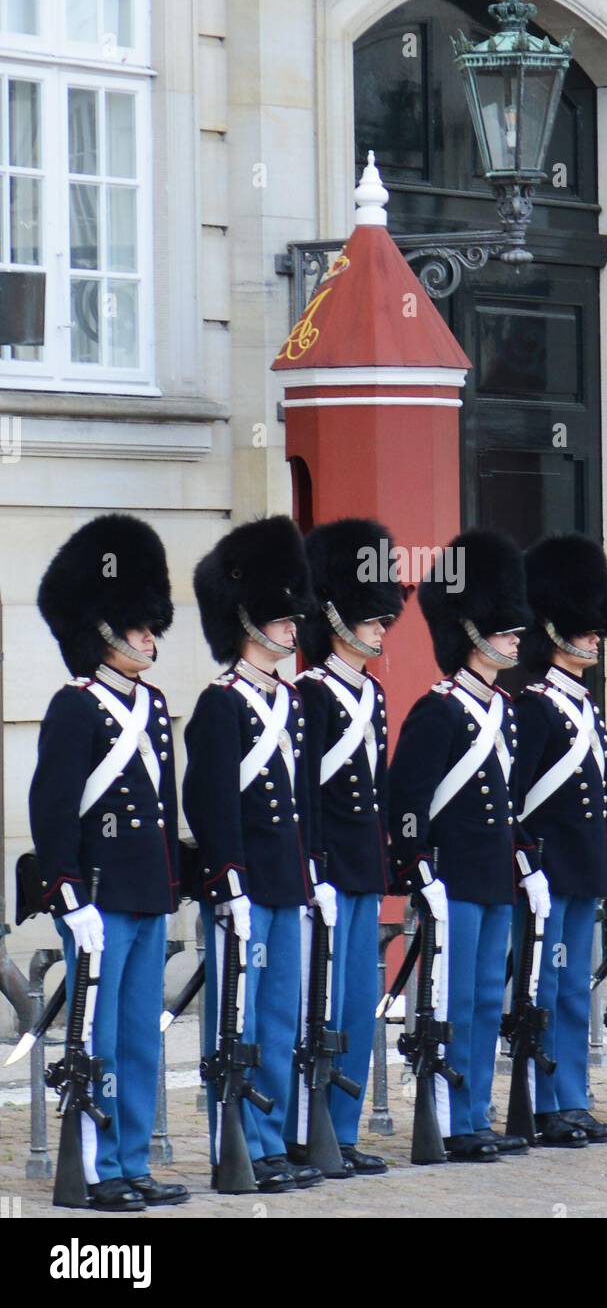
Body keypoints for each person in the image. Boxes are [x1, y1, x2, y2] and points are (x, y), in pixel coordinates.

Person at [30, 513, 188, 1211]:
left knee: (138, 1040)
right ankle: (93, 1169)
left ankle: (129, 1158)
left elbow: (166, 805)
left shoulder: (152, 706)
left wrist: (172, 886)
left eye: (151, 625)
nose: (150, 637)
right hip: (95, 900)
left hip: (145, 893)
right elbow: (52, 807)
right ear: (103, 630)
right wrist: (67, 895)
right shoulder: (74, 708)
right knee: (93, 1039)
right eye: (137, 626)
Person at [389, 529, 550, 1163]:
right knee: (452, 1002)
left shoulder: (505, 711)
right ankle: (451, 1119)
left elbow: (508, 802)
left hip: (494, 878)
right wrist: (417, 868)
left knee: (488, 999)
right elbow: (407, 804)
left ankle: (477, 1111)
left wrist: (523, 859)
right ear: (472, 632)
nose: (515, 639)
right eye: (505, 631)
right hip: (452, 880)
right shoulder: (437, 711)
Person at [183, 515, 333, 1194]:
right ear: (248, 623)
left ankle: (272, 1140)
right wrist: (227, 882)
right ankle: (235, 1143)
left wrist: (314, 872)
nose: (291, 628)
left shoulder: (294, 702)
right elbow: (209, 802)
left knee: (279, 1016)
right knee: (236, 1020)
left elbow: (305, 799)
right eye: (278, 619)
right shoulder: (221, 705)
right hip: (245, 888)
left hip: (288, 882)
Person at [286, 517, 404, 1175]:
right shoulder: (312, 695)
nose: (382, 627)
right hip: (327, 875)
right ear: (336, 617)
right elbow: (307, 793)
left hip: (362, 871)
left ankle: (346, 1131)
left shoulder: (375, 695)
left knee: (359, 1004)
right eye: (370, 617)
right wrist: (317, 867)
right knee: (319, 1007)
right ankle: (311, 1130)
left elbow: (375, 791)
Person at [515, 534, 607, 1147]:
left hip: (582, 871)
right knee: (549, 987)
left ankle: (574, 1099)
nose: (593, 639)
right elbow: (516, 800)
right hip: (549, 872)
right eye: (583, 630)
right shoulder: (534, 707)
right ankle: (545, 1101)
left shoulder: (584, 705)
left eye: (594, 630)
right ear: (554, 629)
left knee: (575, 989)